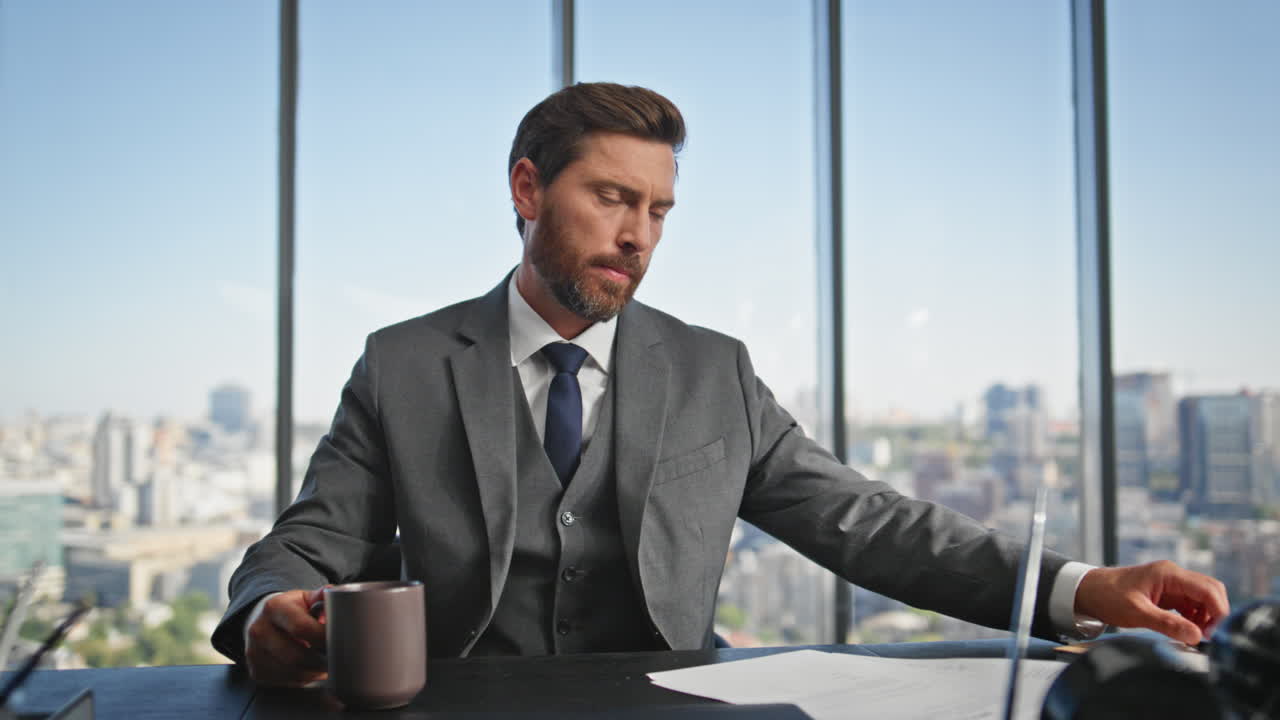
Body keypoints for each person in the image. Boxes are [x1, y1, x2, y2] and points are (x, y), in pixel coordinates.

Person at [212, 82, 1230, 687]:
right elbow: (307, 543)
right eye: (611, 197)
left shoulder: (713, 371)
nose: (636, 236)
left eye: (657, 210)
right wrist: (267, 614)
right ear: (525, 188)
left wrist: (1081, 588)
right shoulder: (404, 363)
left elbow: (865, 523)